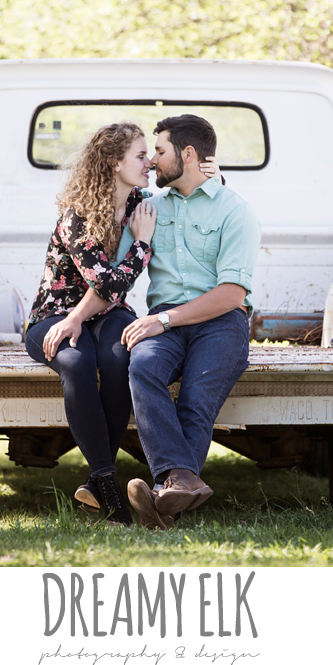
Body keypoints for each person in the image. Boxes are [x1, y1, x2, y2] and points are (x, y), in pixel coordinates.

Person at [24, 121, 220, 526]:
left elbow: (183, 192)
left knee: (120, 358)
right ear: (114, 163)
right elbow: (109, 281)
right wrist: (142, 244)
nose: (149, 162)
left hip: (108, 314)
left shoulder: (141, 204)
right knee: (77, 363)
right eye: (140, 155)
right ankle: (106, 481)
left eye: (151, 154)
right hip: (57, 316)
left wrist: (213, 174)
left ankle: (97, 482)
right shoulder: (76, 217)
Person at [118, 114, 261, 530]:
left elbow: (232, 294)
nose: (152, 163)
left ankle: (164, 494)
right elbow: (114, 259)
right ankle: (174, 487)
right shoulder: (148, 207)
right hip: (166, 324)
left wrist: (162, 320)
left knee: (196, 399)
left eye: (158, 152)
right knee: (142, 367)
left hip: (220, 322)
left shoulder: (236, 211)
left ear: (188, 154)